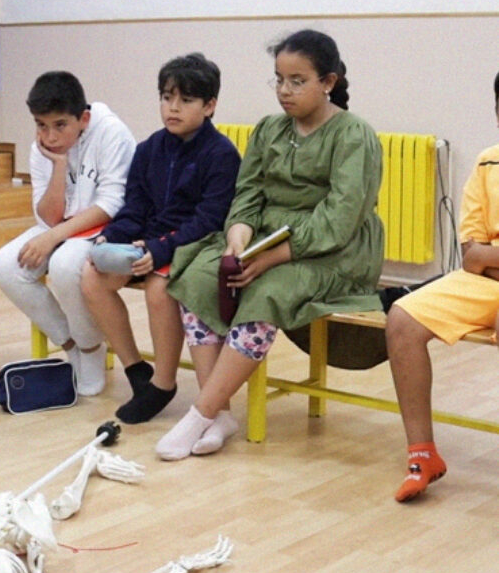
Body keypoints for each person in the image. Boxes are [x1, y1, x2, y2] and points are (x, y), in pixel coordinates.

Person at [157, 29, 384, 460]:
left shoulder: (354, 136)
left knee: (265, 291)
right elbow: (247, 194)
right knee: (200, 274)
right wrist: (238, 238)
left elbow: (338, 220)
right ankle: (219, 410)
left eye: (297, 81)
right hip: (266, 243)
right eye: (279, 79)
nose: (284, 91)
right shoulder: (269, 130)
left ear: (328, 83)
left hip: (335, 253)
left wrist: (270, 258)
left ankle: (199, 415)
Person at [80, 54, 241, 424]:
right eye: (167, 97)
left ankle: (163, 383)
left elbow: (209, 219)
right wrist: (110, 237)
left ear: (210, 106)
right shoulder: (148, 149)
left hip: (192, 246)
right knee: (92, 277)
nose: (173, 107)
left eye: (185, 100)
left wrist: (160, 248)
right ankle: (137, 370)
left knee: (158, 289)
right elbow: (134, 207)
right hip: (147, 246)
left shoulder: (221, 155)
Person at [385, 70, 499, 503]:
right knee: (402, 317)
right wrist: (486, 260)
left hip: (490, 272)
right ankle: (423, 455)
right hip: (483, 280)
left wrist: (489, 256)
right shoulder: (489, 161)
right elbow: (471, 255)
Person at [0, 71, 137, 395]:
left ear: (83, 118)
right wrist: (58, 166)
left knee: (65, 265)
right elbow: (48, 215)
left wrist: (54, 237)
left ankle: (90, 350)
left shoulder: (112, 133)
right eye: (41, 125)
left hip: (108, 227)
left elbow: (112, 203)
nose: (50, 135)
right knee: (4, 265)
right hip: (63, 227)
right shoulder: (43, 147)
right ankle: (72, 344)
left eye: (60, 125)